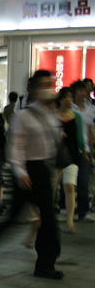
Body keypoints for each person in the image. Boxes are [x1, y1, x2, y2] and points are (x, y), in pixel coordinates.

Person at [0, 70, 64, 279]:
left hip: (43, 170)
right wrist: (20, 172)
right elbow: (14, 147)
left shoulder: (51, 114)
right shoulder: (23, 116)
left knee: (49, 218)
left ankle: (45, 265)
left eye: (48, 84)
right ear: (32, 89)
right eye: (41, 85)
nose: (46, 89)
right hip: (26, 172)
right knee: (13, 218)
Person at [56, 87, 85, 233]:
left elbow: (79, 137)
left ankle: (70, 221)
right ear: (60, 99)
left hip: (72, 156)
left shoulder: (76, 116)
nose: (69, 100)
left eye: (70, 97)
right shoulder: (52, 115)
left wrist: (83, 151)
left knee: (69, 187)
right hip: (54, 156)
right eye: (66, 97)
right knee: (52, 188)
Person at [69, 81, 95, 223]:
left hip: (85, 150)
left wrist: (90, 150)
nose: (82, 93)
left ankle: (83, 211)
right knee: (70, 183)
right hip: (71, 150)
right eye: (79, 91)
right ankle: (68, 208)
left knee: (83, 181)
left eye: (84, 91)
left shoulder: (90, 109)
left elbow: (90, 131)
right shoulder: (70, 108)